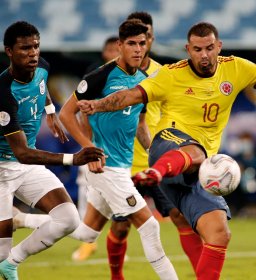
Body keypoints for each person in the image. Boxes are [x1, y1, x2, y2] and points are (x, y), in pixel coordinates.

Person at [78, 22, 256, 279]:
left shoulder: (236, 68)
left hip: (199, 169)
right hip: (166, 146)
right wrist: (96, 105)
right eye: (197, 49)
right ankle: (155, 174)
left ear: (218, 46)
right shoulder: (170, 75)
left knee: (219, 233)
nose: (204, 55)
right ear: (188, 50)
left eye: (209, 48)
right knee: (193, 152)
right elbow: (130, 96)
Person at [59, 19, 178, 280]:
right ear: (120, 45)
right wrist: (89, 149)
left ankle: (22, 219)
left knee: (86, 233)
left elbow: (141, 125)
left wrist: (156, 154)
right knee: (150, 228)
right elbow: (66, 114)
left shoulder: (144, 81)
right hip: (106, 167)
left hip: (123, 167)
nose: (137, 49)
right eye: (132, 44)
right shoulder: (100, 76)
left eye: (142, 44)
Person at [0, 21, 105, 279]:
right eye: (25, 49)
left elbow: (41, 86)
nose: (33, 53)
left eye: (36, 46)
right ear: (9, 51)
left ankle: (11, 263)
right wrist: (74, 158)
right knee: (1, 250)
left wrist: (50, 112)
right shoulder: (3, 92)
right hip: (2, 168)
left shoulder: (42, 67)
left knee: (68, 219)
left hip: (25, 167)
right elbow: (22, 153)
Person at [104, 11, 203, 279]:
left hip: (156, 160)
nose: (141, 43)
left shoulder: (165, 73)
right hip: (121, 164)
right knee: (121, 227)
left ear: (151, 38)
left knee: (179, 217)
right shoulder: (111, 74)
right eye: (135, 39)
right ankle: (116, 276)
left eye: (145, 36)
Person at [71, 35, 120, 262]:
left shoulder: (129, 77)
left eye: (116, 49)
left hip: (117, 146)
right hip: (95, 143)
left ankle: (113, 244)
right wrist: (87, 144)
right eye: (110, 50)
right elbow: (80, 110)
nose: (113, 54)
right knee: (86, 190)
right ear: (104, 53)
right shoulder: (95, 75)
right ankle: (88, 243)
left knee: (119, 201)